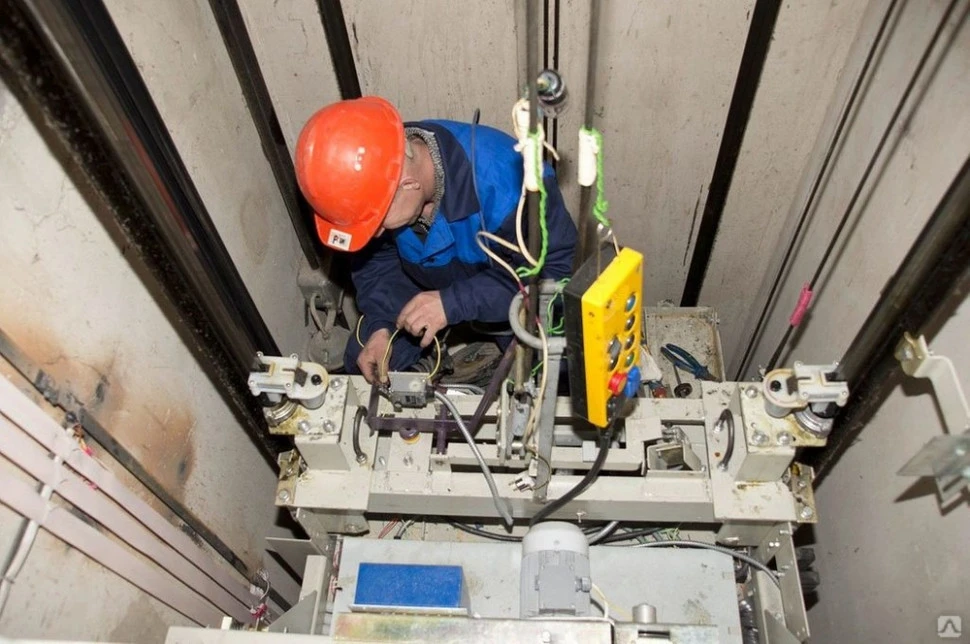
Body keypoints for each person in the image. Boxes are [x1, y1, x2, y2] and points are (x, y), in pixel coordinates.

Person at [295, 96, 577, 383]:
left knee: (554, 370)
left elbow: (556, 272)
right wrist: (381, 324)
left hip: (504, 289)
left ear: (409, 185)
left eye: (376, 224)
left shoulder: (512, 186)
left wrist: (454, 303)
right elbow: (376, 263)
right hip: (422, 281)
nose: (375, 234)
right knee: (367, 361)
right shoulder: (376, 175)